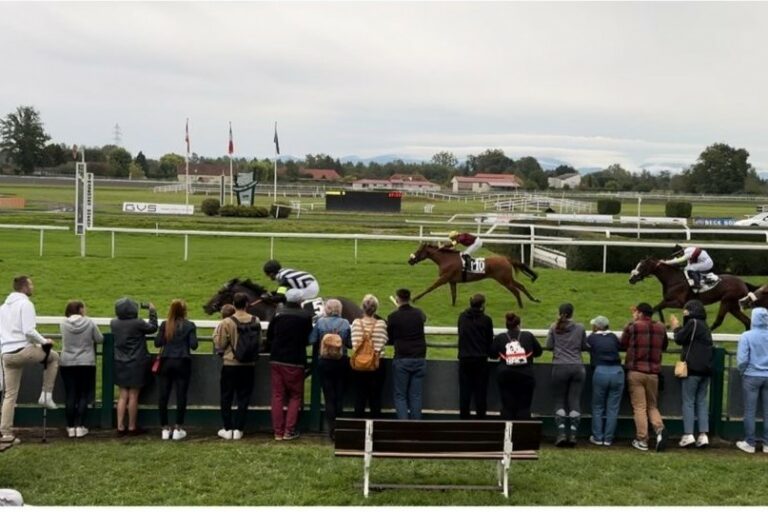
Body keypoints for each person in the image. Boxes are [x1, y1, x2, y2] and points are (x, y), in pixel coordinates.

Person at [0, 276, 60, 446]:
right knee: (54, 357)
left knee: (9, 395)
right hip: (23, 351)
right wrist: (45, 342)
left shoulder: (3, 307)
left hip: (7, 355)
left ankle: (6, 433)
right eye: (31, 284)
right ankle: (46, 395)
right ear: (24, 287)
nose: (33, 287)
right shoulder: (25, 304)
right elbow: (29, 331)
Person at [620, 302, 669, 452]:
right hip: (653, 373)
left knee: (639, 407)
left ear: (640, 313)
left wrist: (633, 321)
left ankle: (642, 439)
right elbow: (664, 346)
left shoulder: (633, 326)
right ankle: (659, 429)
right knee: (652, 406)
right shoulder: (660, 327)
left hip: (636, 372)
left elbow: (622, 344)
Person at [266, 288, 313, 441]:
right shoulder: (306, 316)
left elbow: (270, 335)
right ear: (300, 301)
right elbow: (308, 338)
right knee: (295, 396)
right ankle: (289, 431)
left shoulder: (278, 314)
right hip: (295, 360)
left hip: (277, 358)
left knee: (277, 395)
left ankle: (278, 432)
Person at [213, 292, 259, 440]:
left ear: (233, 304)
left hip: (231, 364)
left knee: (226, 396)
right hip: (249, 364)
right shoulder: (255, 320)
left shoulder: (227, 322)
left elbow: (220, 344)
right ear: (247, 304)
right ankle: (239, 429)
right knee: (243, 397)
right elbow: (258, 342)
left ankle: (227, 428)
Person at [670, 299, 713, 449]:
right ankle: (703, 435)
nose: (684, 312)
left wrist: (675, 327)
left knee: (688, 402)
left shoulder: (693, 323)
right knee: (701, 402)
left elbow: (679, 338)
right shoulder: (705, 325)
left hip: (692, 369)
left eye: (686, 309)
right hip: (706, 370)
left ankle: (688, 434)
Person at [111, 298, 157, 436]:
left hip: (120, 362)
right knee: (133, 395)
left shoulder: (114, 323)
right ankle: (131, 427)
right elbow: (153, 328)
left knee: (122, 396)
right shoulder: (138, 323)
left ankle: (120, 426)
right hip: (137, 362)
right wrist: (152, 312)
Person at [154, 299, 198, 441]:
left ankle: (164, 428)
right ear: (184, 311)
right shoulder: (189, 325)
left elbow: (157, 343)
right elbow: (194, 345)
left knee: (163, 396)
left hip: (166, 361)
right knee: (181, 395)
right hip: (183, 362)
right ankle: (178, 428)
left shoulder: (165, 325)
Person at [59, 299, 103, 438]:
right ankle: (80, 426)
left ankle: (70, 427)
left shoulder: (63, 323)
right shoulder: (89, 322)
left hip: (67, 362)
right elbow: (100, 339)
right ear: (80, 309)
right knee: (83, 394)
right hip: (86, 362)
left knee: (70, 394)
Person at [546, 303, 588, 447]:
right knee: (574, 400)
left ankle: (562, 434)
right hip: (577, 367)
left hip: (560, 367)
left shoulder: (554, 327)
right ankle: (574, 435)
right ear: (572, 313)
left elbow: (549, 345)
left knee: (559, 401)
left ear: (560, 312)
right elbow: (584, 346)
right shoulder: (580, 327)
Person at [309, 299, 351, 440]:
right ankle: (340, 427)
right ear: (340, 310)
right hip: (341, 362)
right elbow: (350, 344)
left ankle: (331, 429)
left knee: (329, 397)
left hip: (325, 362)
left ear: (326, 309)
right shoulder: (345, 323)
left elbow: (312, 340)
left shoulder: (321, 322)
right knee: (339, 395)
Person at [490, 312, 542, 420]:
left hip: (505, 376)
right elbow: (538, 352)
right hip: (526, 376)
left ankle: (507, 430)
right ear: (519, 324)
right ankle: (522, 429)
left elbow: (492, 355)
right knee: (524, 407)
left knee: (507, 407)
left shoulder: (500, 337)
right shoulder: (528, 335)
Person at [387, 288, 427, 420]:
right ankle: (415, 426)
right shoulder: (419, 313)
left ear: (397, 299)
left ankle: (403, 426)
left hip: (402, 359)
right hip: (419, 358)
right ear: (409, 298)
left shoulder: (393, 317)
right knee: (416, 396)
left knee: (400, 395)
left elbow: (390, 338)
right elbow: (424, 318)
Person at [586, 315, 624, 447]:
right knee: (613, 407)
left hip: (600, 371)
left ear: (596, 327)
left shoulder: (592, 338)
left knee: (598, 407)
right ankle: (608, 438)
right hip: (617, 371)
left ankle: (598, 437)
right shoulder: (613, 337)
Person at [735, 307, 768, 454]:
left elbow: (742, 359)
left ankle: (750, 442)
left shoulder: (747, 336)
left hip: (751, 375)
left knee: (750, 410)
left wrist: (743, 372)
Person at [349, 294, 388, 418]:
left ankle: (358, 424)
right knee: (375, 397)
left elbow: (353, 342)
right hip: (377, 363)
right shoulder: (381, 324)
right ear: (376, 309)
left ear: (362, 308)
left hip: (359, 364)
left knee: (359, 396)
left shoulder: (356, 323)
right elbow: (385, 340)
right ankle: (376, 424)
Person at [456, 293, 494, 419]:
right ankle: (481, 421)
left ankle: (464, 420)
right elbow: (489, 340)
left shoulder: (462, 317)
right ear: (482, 305)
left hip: (465, 359)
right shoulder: (486, 320)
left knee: (464, 392)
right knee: (480, 392)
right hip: (480, 360)